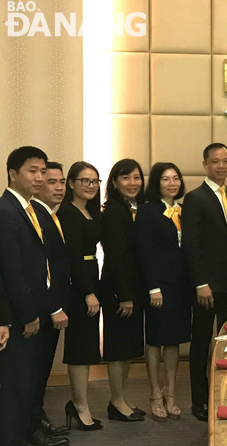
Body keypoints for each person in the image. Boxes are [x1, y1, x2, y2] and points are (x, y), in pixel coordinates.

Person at [0, 147, 68, 446]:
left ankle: (25, 432)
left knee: (27, 383)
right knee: (15, 386)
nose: (40, 177)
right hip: (17, 315)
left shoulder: (28, 208)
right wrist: (27, 314)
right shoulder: (6, 211)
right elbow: (11, 270)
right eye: (32, 171)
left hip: (33, 309)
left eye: (43, 171)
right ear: (13, 174)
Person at [182, 143, 227, 422]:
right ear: (205, 164)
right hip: (207, 285)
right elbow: (191, 245)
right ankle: (199, 401)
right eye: (215, 161)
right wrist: (200, 283)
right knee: (201, 343)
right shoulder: (195, 197)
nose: (221, 166)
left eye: (225, 161)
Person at [135, 163, 192, 422]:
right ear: (156, 182)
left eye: (176, 178)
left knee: (174, 340)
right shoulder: (148, 211)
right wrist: (153, 287)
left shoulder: (183, 209)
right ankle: (155, 394)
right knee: (156, 339)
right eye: (166, 179)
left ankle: (171, 394)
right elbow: (144, 251)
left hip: (181, 285)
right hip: (159, 285)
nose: (172, 183)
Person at [57, 161, 104, 431]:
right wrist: (87, 292)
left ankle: (80, 402)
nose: (90, 186)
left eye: (95, 181)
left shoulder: (88, 211)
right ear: (71, 183)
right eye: (84, 180)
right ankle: (79, 405)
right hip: (79, 285)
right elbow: (73, 256)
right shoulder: (69, 213)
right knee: (79, 346)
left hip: (90, 276)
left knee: (86, 346)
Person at [99, 159, 146, 422]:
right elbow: (115, 256)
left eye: (137, 177)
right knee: (118, 347)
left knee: (128, 347)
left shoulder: (133, 208)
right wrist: (124, 295)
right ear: (115, 182)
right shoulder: (115, 211)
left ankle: (122, 398)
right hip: (119, 288)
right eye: (126, 178)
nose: (132, 183)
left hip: (132, 287)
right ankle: (116, 402)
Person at [30, 162, 71, 439]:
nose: (59, 187)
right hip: (42, 309)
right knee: (35, 371)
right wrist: (54, 306)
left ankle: (37, 418)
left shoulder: (51, 216)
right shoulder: (37, 217)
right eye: (52, 181)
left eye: (62, 182)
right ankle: (32, 424)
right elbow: (39, 267)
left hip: (51, 306)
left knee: (41, 370)